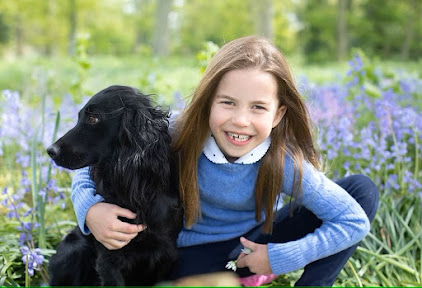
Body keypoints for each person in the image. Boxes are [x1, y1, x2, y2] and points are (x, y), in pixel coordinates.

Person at [71, 35, 379, 286]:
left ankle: (287, 279)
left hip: (255, 242)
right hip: (190, 255)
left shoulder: (281, 160)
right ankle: (242, 277)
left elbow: (353, 221)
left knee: (361, 190)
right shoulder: (179, 132)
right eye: (228, 103)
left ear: (278, 114)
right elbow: (93, 157)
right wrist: (90, 210)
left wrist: (281, 256)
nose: (240, 121)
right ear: (208, 102)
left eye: (258, 107)